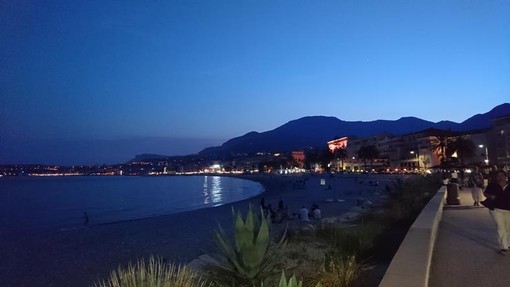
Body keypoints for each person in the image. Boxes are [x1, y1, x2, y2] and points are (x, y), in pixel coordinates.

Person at [483, 170, 510, 255]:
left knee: (508, 228)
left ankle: (508, 243)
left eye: (502, 175)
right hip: (496, 209)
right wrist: (490, 196)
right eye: (498, 175)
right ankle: (503, 247)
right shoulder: (493, 185)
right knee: (500, 227)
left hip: (508, 210)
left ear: (506, 176)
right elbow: (485, 193)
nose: (500, 177)